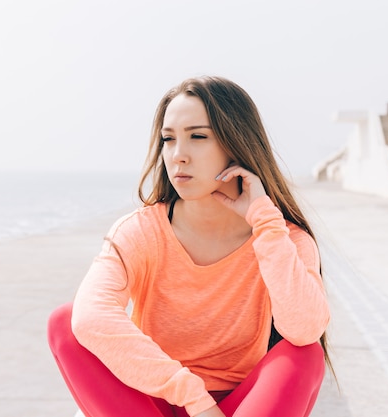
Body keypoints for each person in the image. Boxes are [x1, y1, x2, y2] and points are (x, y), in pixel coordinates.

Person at [47, 76, 332, 417]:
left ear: (236, 144)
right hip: (151, 403)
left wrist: (264, 222)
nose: (178, 155)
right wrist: (194, 400)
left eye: (198, 137)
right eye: (169, 139)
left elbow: (305, 329)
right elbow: (91, 319)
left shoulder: (281, 237)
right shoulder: (141, 232)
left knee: (306, 353)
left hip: (241, 406)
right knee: (65, 321)